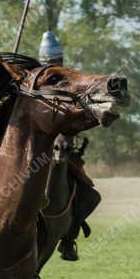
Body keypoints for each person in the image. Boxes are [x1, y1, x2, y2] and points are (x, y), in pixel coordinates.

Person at [37, 30, 101, 263]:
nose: (54, 64)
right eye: (50, 61)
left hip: (64, 146)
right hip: (36, 147)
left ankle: (68, 239)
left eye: (57, 60)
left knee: (90, 196)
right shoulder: (36, 82)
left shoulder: (71, 81)